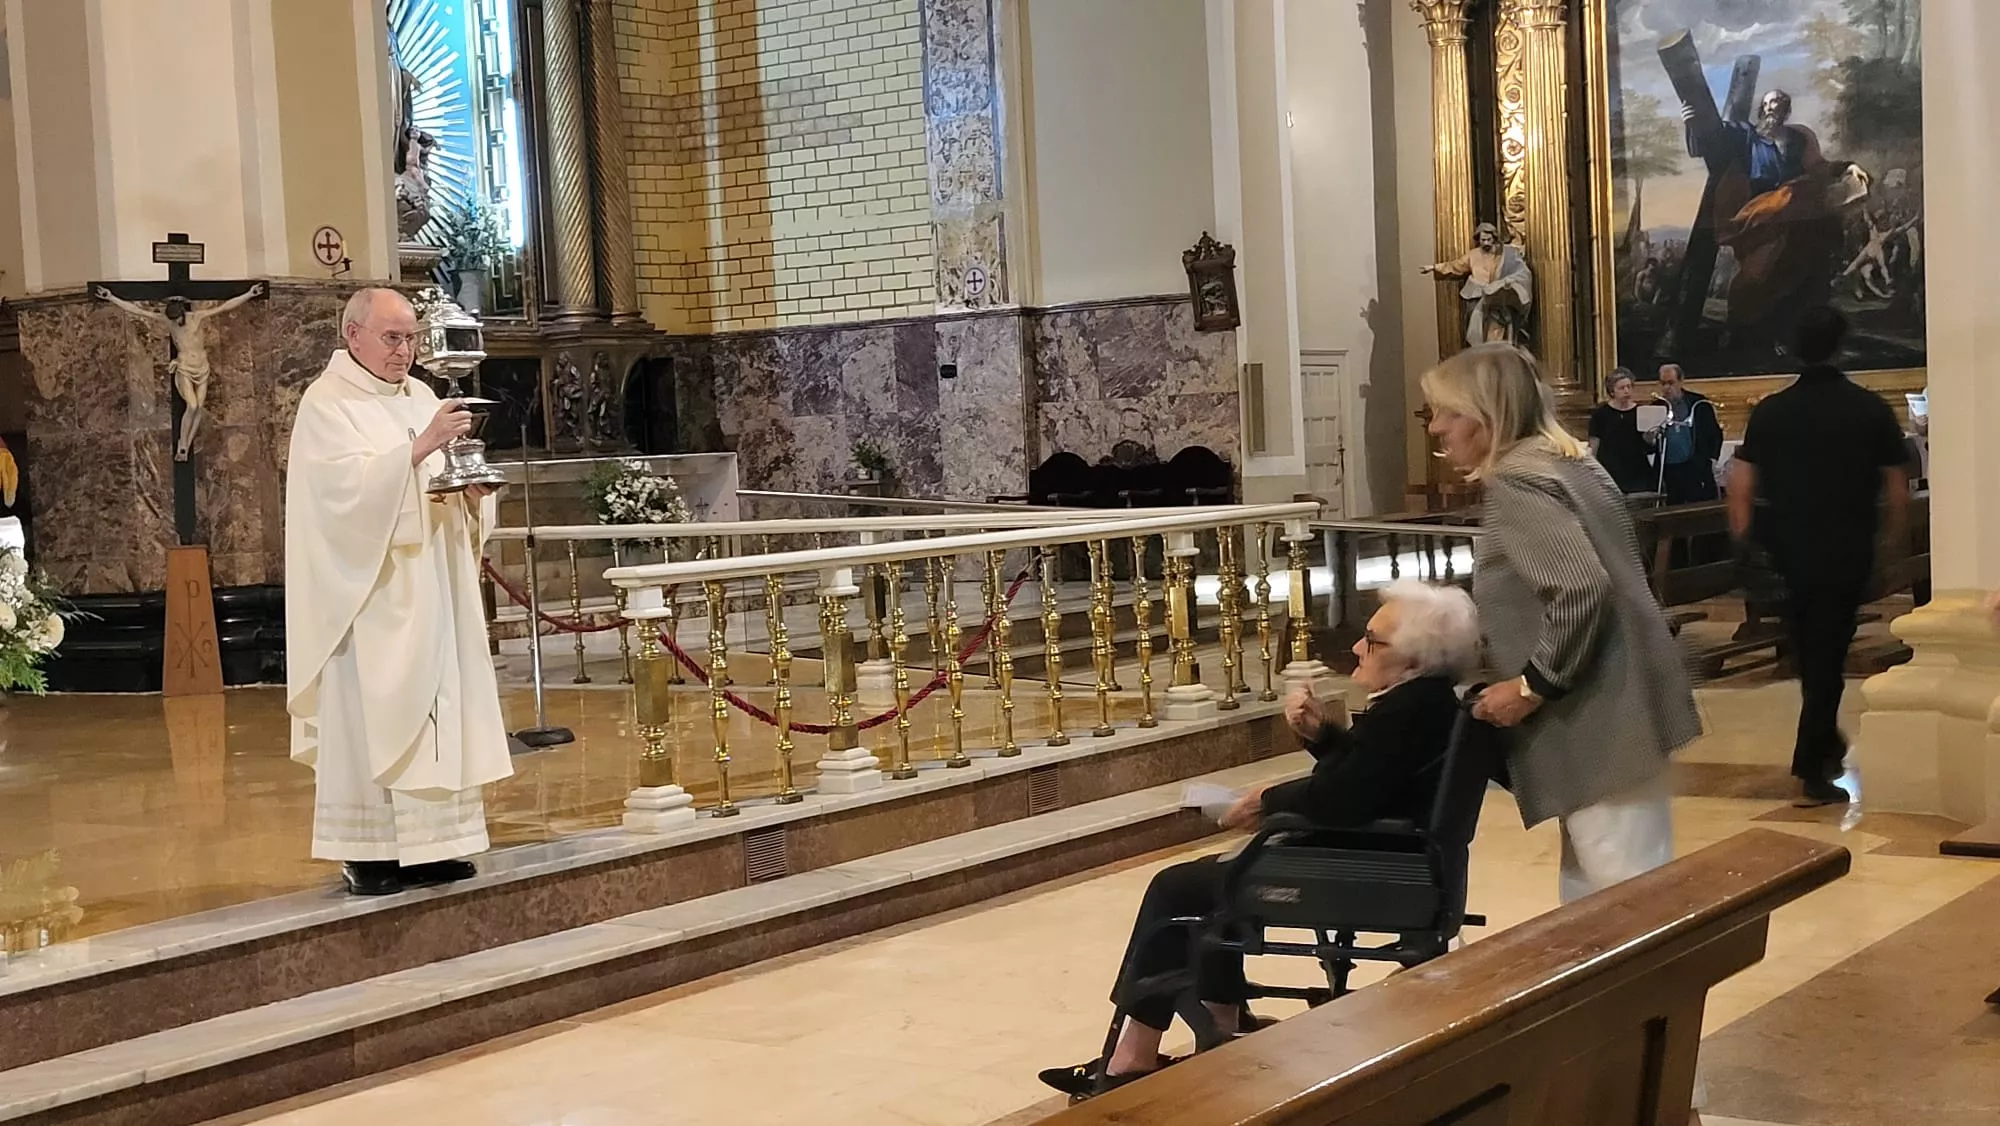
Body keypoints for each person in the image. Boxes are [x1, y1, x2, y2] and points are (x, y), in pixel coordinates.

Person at [1037, 580, 1481, 1098]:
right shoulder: (1426, 704)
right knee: (1216, 878)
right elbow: (1370, 783)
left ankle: (1133, 1057)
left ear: (1412, 661)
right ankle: (1225, 1022)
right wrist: (1324, 738)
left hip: (1371, 874)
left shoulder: (1408, 712)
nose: (1357, 648)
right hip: (1399, 866)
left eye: (1372, 641)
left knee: (1178, 888)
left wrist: (1266, 802)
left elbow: (1344, 801)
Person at [1423, 343, 1701, 905]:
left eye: (1447, 412)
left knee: (1626, 897)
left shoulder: (1519, 479)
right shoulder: (1566, 459)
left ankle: (1647, 995)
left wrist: (1534, 684)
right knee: (1594, 895)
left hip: (1597, 714)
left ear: (1486, 414)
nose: (1436, 428)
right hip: (1619, 697)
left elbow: (1580, 586)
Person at [285, 288, 513, 896]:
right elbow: (338, 500)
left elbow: (446, 484)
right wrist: (419, 447)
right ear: (352, 334)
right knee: (371, 715)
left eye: (411, 338)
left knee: (439, 712)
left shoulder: (421, 397)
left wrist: (472, 497)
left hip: (434, 588)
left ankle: (437, 846)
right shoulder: (327, 403)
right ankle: (370, 852)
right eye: (392, 337)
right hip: (370, 597)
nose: (404, 351)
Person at [1729, 308, 1909, 807]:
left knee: (1815, 655)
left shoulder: (1770, 411)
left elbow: (1740, 487)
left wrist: (1747, 548)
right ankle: (1814, 763)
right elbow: (1897, 490)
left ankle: (1823, 747)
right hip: (1845, 548)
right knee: (1824, 658)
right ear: (1840, 347)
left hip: (1786, 551)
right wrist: (1892, 549)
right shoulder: (1869, 408)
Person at [1421, 222, 1535, 348]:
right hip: (1477, 299)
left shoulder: (1505, 254)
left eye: (1488, 239)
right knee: (1478, 334)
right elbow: (1455, 266)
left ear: (1494, 238)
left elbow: (1521, 272)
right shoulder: (1473, 255)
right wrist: (1434, 267)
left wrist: (1504, 284)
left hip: (1498, 302)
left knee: (1497, 335)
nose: (1485, 243)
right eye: (1482, 240)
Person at [1647, 364, 1724, 504]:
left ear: (1681, 381)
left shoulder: (1699, 403)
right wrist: (1649, 440)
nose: (1666, 388)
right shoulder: (1656, 407)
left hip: (1695, 467)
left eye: (1671, 383)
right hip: (1669, 470)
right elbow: (1650, 445)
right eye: (1663, 383)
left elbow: (1714, 433)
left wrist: (1712, 458)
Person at [1588, 369, 1653, 494]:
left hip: (1637, 470)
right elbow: (1594, 445)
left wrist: (1650, 437)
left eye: (1629, 387)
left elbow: (1648, 445)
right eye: (1622, 388)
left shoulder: (1640, 412)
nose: (1626, 391)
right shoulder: (1601, 414)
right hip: (1611, 470)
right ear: (1612, 391)